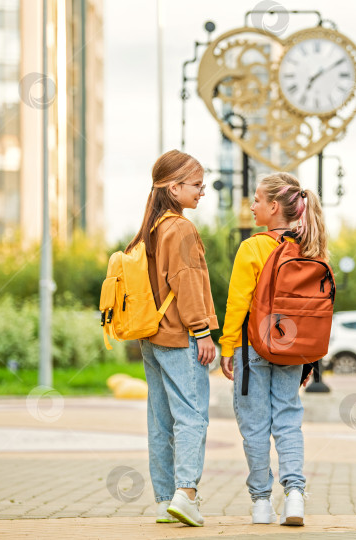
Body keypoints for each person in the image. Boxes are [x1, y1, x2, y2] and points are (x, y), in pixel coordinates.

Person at [219, 172, 326, 526]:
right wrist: (309, 359)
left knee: (254, 424)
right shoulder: (311, 248)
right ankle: (295, 494)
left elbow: (238, 303)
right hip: (293, 348)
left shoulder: (253, 247)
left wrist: (228, 346)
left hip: (254, 347)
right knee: (288, 419)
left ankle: (262, 502)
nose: (251, 207)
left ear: (274, 207)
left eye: (256, 201)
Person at [129, 150, 217, 527]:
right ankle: (186, 494)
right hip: (180, 335)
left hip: (151, 335)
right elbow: (187, 281)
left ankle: (165, 499)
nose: (202, 192)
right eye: (196, 185)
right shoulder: (180, 228)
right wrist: (202, 330)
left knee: (160, 420)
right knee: (192, 416)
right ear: (174, 186)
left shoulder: (150, 227)